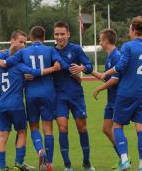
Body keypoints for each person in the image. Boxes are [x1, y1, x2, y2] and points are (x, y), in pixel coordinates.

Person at [0, 26, 69, 171]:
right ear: (44, 38)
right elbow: (58, 66)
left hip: (15, 100)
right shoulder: (48, 51)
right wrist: (56, 68)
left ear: (31, 38)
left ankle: (2, 165)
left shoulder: (17, 57)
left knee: (10, 133)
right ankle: (44, 162)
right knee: (43, 129)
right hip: (44, 94)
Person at [100, 16, 142, 171]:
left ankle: (124, 160)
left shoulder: (128, 46)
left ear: (133, 29)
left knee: (117, 125)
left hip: (126, 93)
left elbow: (121, 66)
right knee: (141, 127)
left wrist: (106, 74)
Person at [53, 21, 100, 171]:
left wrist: (82, 67)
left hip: (76, 96)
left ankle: (86, 162)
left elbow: (90, 66)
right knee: (62, 128)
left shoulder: (76, 49)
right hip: (59, 96)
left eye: (62, 34)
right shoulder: (50, 52)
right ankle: (67, 165)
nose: (59, 37)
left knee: (82, 128)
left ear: (68, 34)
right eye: (56, 34)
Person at [0, 30, 29, 171]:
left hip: (3, 101)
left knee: (2, 134)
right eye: (21, 42)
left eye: (25, 42)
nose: (23, 45)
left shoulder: (6, 61)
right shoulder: (8, 59)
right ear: (12, 40)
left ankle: (0, 165)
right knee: (13, 132)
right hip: (6, 101)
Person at [93, 29, 123, 168]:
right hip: (111, 101)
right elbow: (104, 76)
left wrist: (99, 89)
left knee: (116, 129)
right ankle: (124, 158)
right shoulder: (110, 57)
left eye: (100, 39)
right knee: (106, 129)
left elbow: (115, 80)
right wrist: (84, 69)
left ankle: (124, 159)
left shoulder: (116, 56)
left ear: (106, 41)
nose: (99, 42)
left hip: (117, 100)